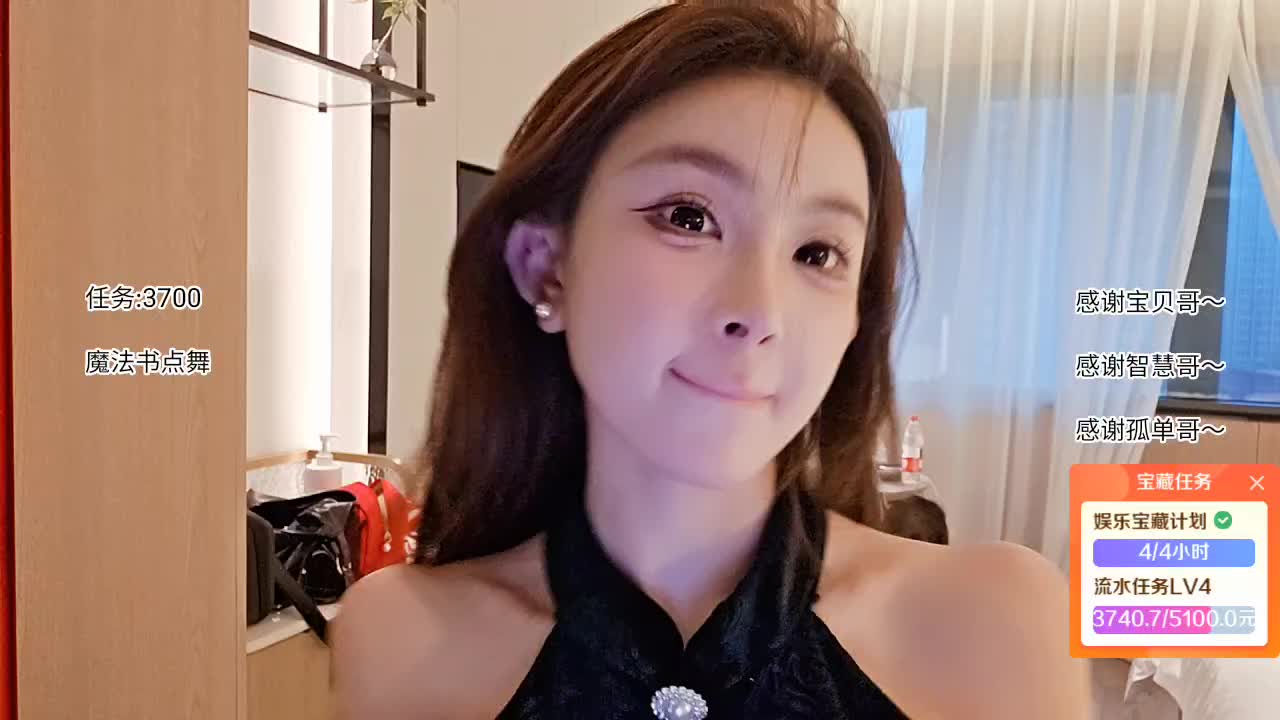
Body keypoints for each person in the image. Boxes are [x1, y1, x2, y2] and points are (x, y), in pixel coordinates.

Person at [333, 1, 1090, 717]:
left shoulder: (996, 626)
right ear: (547, 268)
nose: (759, 313)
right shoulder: (398, 639)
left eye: (817, 253)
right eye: (689, 217)